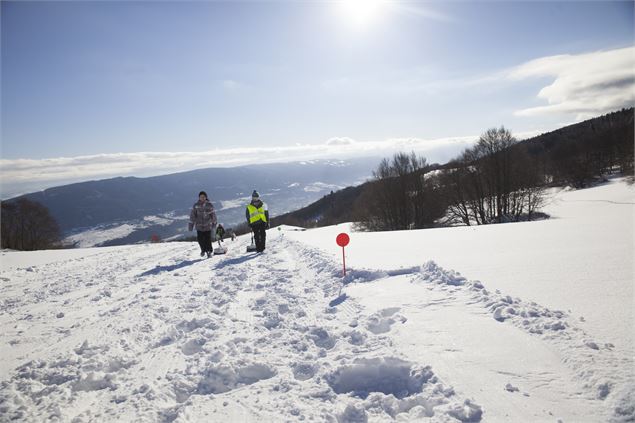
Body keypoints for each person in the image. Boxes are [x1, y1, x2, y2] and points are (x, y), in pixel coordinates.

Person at [188, 191, 217, 258]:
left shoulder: (209, 205)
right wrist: (191, 226)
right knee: (200, 239)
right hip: (199, 226)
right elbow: (192, 216)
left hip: (207, 225)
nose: (202, 198)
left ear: (206, 197)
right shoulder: (196, 205)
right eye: (201, 197)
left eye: (203, 197)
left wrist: (214, 223)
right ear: (199, 198)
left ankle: (209, 251)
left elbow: (213, 215)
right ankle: (203, 250)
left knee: (207, 239)